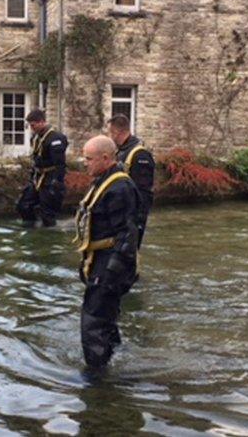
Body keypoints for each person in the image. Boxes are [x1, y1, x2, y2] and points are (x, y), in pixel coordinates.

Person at [74, 135, 141, 369]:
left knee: (92, 320)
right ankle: (114, 361)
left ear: (105, 158)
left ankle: (96, 376)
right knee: (105, 317)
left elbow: (128, 235)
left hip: (111, 265)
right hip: (100, 261)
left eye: (89, 158)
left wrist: (110, 273)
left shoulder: (120, 187)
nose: (85, 163)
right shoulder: (104, 180)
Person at [16, 109, 68, 227]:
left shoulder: (55, 138)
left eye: (33, 125)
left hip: (50, 178)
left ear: (41, 122)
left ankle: (48, 236)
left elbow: (60, 164)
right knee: (23, 205)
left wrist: (57, 183)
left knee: (47, 213)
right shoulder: (36, 137)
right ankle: (30, 227)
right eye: (30, 125)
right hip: (37, 177)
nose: (31, 128)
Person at [107, 115, 154, 243]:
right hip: (120, 211)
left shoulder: (139, 155)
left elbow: (143, 191)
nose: (109, 137)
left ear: (117, 133)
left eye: (110, 133)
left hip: (132, 215)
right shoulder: (121, 151)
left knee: (128, 254)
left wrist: (137, 220)